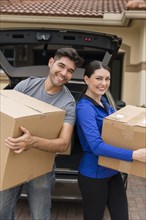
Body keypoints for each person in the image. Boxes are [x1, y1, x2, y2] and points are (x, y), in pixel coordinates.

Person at [0, 47, 83, 220]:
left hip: (41, 168)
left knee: (40, 216)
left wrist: (31, 142)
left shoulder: (68, 104)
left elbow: (63, 143)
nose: (64, 73)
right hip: (13, 157)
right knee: (2, 211)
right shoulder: (26, 86)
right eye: (61, 66)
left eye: (70, 71)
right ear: (51, 62)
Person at [75, 60, 146, 220]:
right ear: (86, 79)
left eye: (107, 79)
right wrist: (134, 155)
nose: (104, 83)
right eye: (99, 78)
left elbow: (121, 130)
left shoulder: (105, 104)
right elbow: (96, 146)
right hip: (94, 174)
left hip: (112, 170)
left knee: (121, 216)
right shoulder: (85, 108)